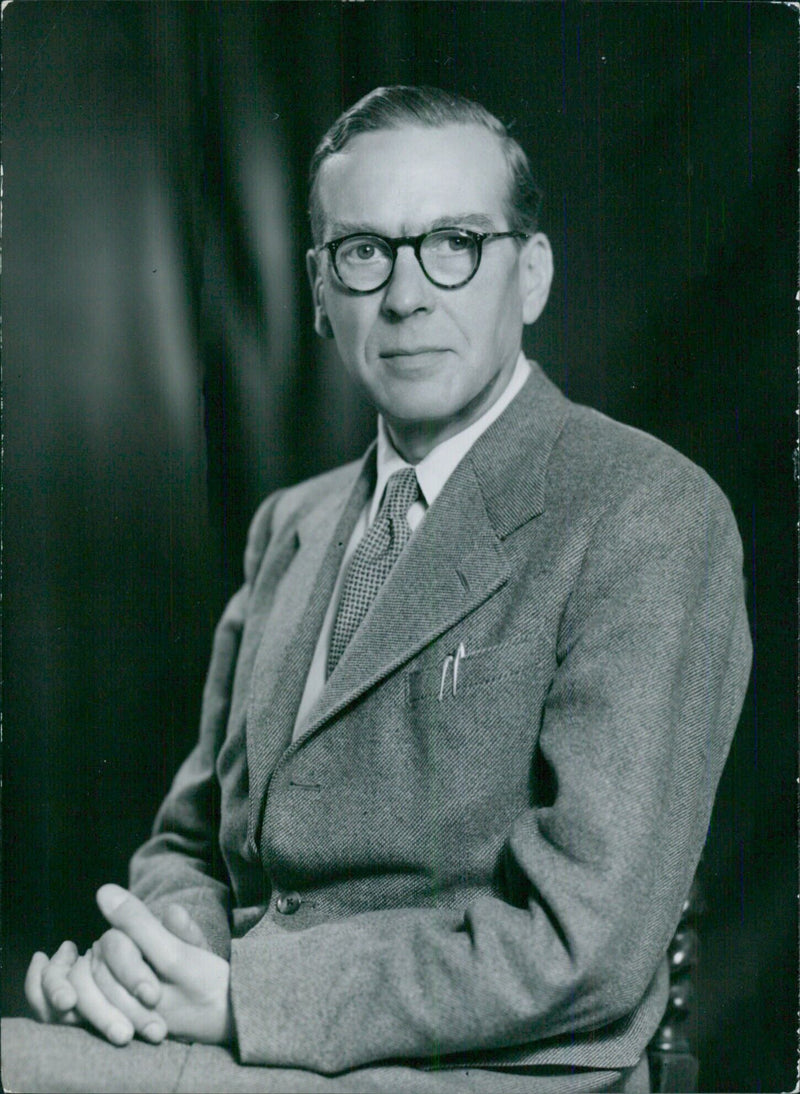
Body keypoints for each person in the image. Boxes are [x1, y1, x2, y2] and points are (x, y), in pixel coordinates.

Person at [3, 86, 752, 1094]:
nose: (404, 295)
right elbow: (191, 840)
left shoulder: (644, 511)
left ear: (528, 275)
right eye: (364, 251)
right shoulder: (292, 525)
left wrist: (239, 994)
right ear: (321, 290)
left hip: (481, 1066)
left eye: (453, 243)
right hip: (244, 1036)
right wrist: (150, 959)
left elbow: (584, 943)